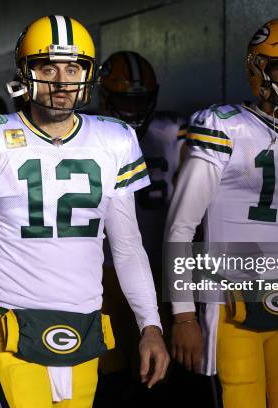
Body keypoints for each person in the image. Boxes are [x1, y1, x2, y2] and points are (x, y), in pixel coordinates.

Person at [0, 15, 169, 408]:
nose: (62, 80)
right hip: (10, 319)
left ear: (88, 74)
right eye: (48, 67)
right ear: (24, 73)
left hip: (85, 322)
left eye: (73, 67)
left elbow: (128, 246)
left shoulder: (114, 139)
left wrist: (150, 324)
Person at [167, 18, 278, 408]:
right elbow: (181, 227)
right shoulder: (222, 128)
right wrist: (183, 315)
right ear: (257, 69)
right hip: (230, 306)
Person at [95, 51, 187, 405]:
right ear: (105, 97)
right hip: (101, 266)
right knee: (108, 362)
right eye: (124, 99)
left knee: (155, 362)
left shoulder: (172, 131)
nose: (133, 110)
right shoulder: (92, 134)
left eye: (141, 100)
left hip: (155, 262)